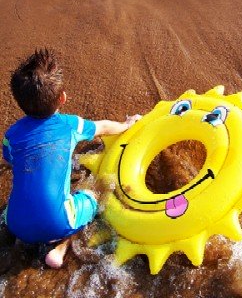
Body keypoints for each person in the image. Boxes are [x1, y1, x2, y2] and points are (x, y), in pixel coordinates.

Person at [2, 48, 140, 268]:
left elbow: (9, 161)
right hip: (58, 222)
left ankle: (26, 237)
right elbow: (103, 127)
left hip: (15, 223)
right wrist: (127, 125)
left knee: (18, 207)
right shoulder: (69, 125)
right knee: (95, 193)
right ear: (62, 98)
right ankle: (59, 248)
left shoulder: (12, 135)